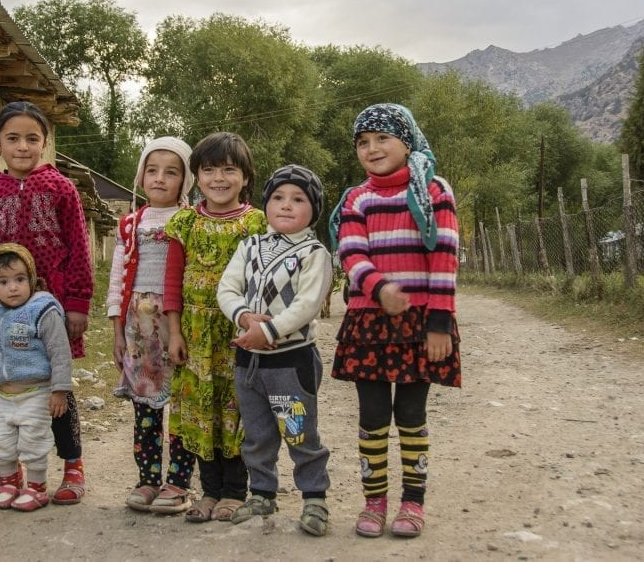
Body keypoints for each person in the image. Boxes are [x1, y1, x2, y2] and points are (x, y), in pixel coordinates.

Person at [328, 103, 461, 539]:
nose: (372, 148)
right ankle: (374, 501)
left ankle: (412, 502)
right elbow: (351, 251)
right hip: (369, 321)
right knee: (371, 416)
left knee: (410, 413)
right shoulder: (355, 198)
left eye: (383, 138)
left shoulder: (434, 191)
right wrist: (379, 287)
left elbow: (444, 255)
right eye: (363, 142)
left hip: (421, 322)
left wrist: (439, 322)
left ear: (407, 142)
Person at [0, 101, 92, 505]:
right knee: (10, 384)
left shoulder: (61, 188)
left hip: (49, 308)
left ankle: (72, 466)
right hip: (4, 312)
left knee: (57, 386)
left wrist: (77, 302)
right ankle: (10, 470)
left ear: (45, 143)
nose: (22, 146)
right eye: (12, 138)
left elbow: (78, 247)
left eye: (32, 138)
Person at [155, 132, 267, 523]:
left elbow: (264, 282)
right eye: (208, 170)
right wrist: (174, 332)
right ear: (196, 178)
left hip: (237, 335)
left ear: (245, 176)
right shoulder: (184, 222)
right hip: (195, 335)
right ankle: (208, 491)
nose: (218, 178)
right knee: (202, 413)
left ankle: (236, 492)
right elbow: (171, 283)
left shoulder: (257, 223)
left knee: (235, 412)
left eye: (228, 170)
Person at [217, 165, 334, 537]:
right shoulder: (249, 246)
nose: (286, 205)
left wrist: (267, 331)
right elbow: (227, 289)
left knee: (299, 431)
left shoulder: (314, 253)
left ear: (313, 209)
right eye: (278, 197)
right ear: (265, 204)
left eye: (298, 199)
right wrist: (244, 317)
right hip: (248, 361)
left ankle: (314, 497)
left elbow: (307, 304)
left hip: (289, 361)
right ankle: (262, 493)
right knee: (257, 432)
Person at [105, 136, 198, 512]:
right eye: (152, 170)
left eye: (171, 172)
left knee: (180, 405)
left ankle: (177, 484)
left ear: (185, 181)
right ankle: (147, 480)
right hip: (138, 329)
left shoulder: (191, 221)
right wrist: (116, 331)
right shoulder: (130, 224)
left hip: (178, 324)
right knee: (145, 409)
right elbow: (116, 278)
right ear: (140, 176)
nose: (159, 178)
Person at [0, 243, 73, 512]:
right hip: (3, 396)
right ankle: (9, 482)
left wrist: (59, 390)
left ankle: (36, 488)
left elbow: (60, 351)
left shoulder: (42, 310)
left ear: (32, 279)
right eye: (3, 281)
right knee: (1, 442)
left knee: (33, 442)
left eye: (20, 279)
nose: (13, 287)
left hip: (36, 393)